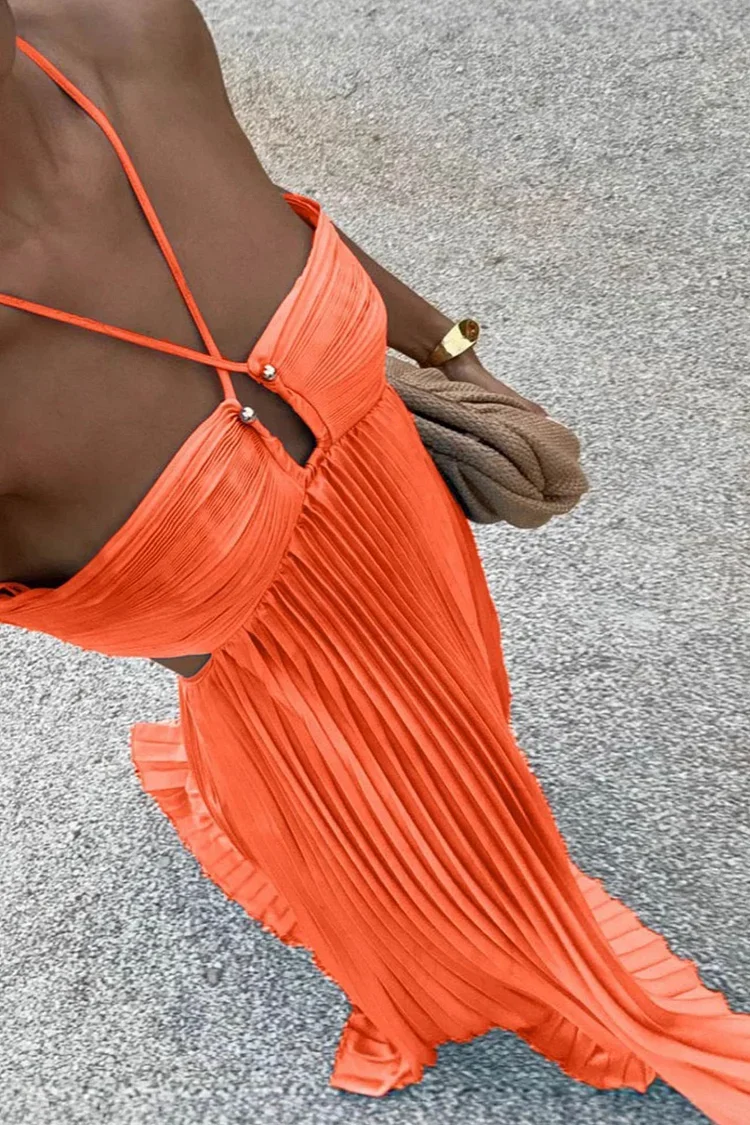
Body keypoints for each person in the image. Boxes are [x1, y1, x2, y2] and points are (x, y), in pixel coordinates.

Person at [0, 4, 748, 1122]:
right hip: (249, 663)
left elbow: (270, 215)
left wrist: (452, 352)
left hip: (403, 526)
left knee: (459, 715)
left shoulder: (117, 22)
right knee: (370, 830)